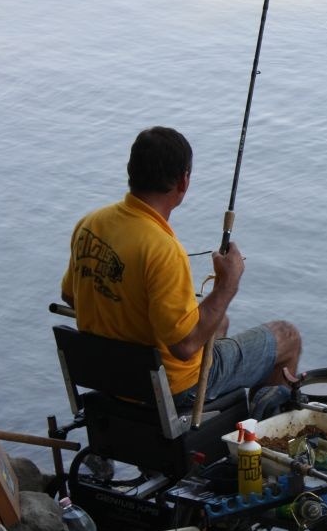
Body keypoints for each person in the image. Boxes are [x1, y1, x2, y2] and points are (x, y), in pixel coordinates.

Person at [60, 126, 301, 409]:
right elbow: (184, 347)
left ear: (131, 170)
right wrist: (228, 284)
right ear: (183, 182)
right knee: (287, 336)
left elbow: (70, 296)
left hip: (109, 378)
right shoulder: (162, 249)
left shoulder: (91, 224)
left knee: (218, 323)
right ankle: (261, 437)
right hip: (171, 388)